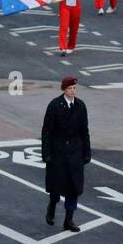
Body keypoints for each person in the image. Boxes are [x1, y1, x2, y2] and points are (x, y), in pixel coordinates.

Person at [41, 76, 91, 233]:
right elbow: (47, 131)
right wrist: (46, 153)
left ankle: (69, 219)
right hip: (58, 152)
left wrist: (87, 152)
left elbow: (85, 131)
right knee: (56, 184)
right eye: (70, 88)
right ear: (64, 89)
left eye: (75, 88)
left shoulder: (81, 106)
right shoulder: (55, 105)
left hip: (75, 153)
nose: (73, 91)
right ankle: (52, 206)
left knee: (74, 187)